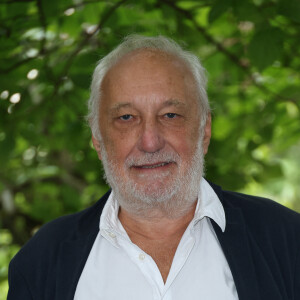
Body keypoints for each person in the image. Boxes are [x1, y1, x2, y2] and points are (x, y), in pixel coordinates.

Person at [7, 35, 300, 300]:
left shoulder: (287, 241)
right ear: (97, 139)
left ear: (204, 130)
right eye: (126, 117)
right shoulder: (43, 260)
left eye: (170, 115)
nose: (150, 142)